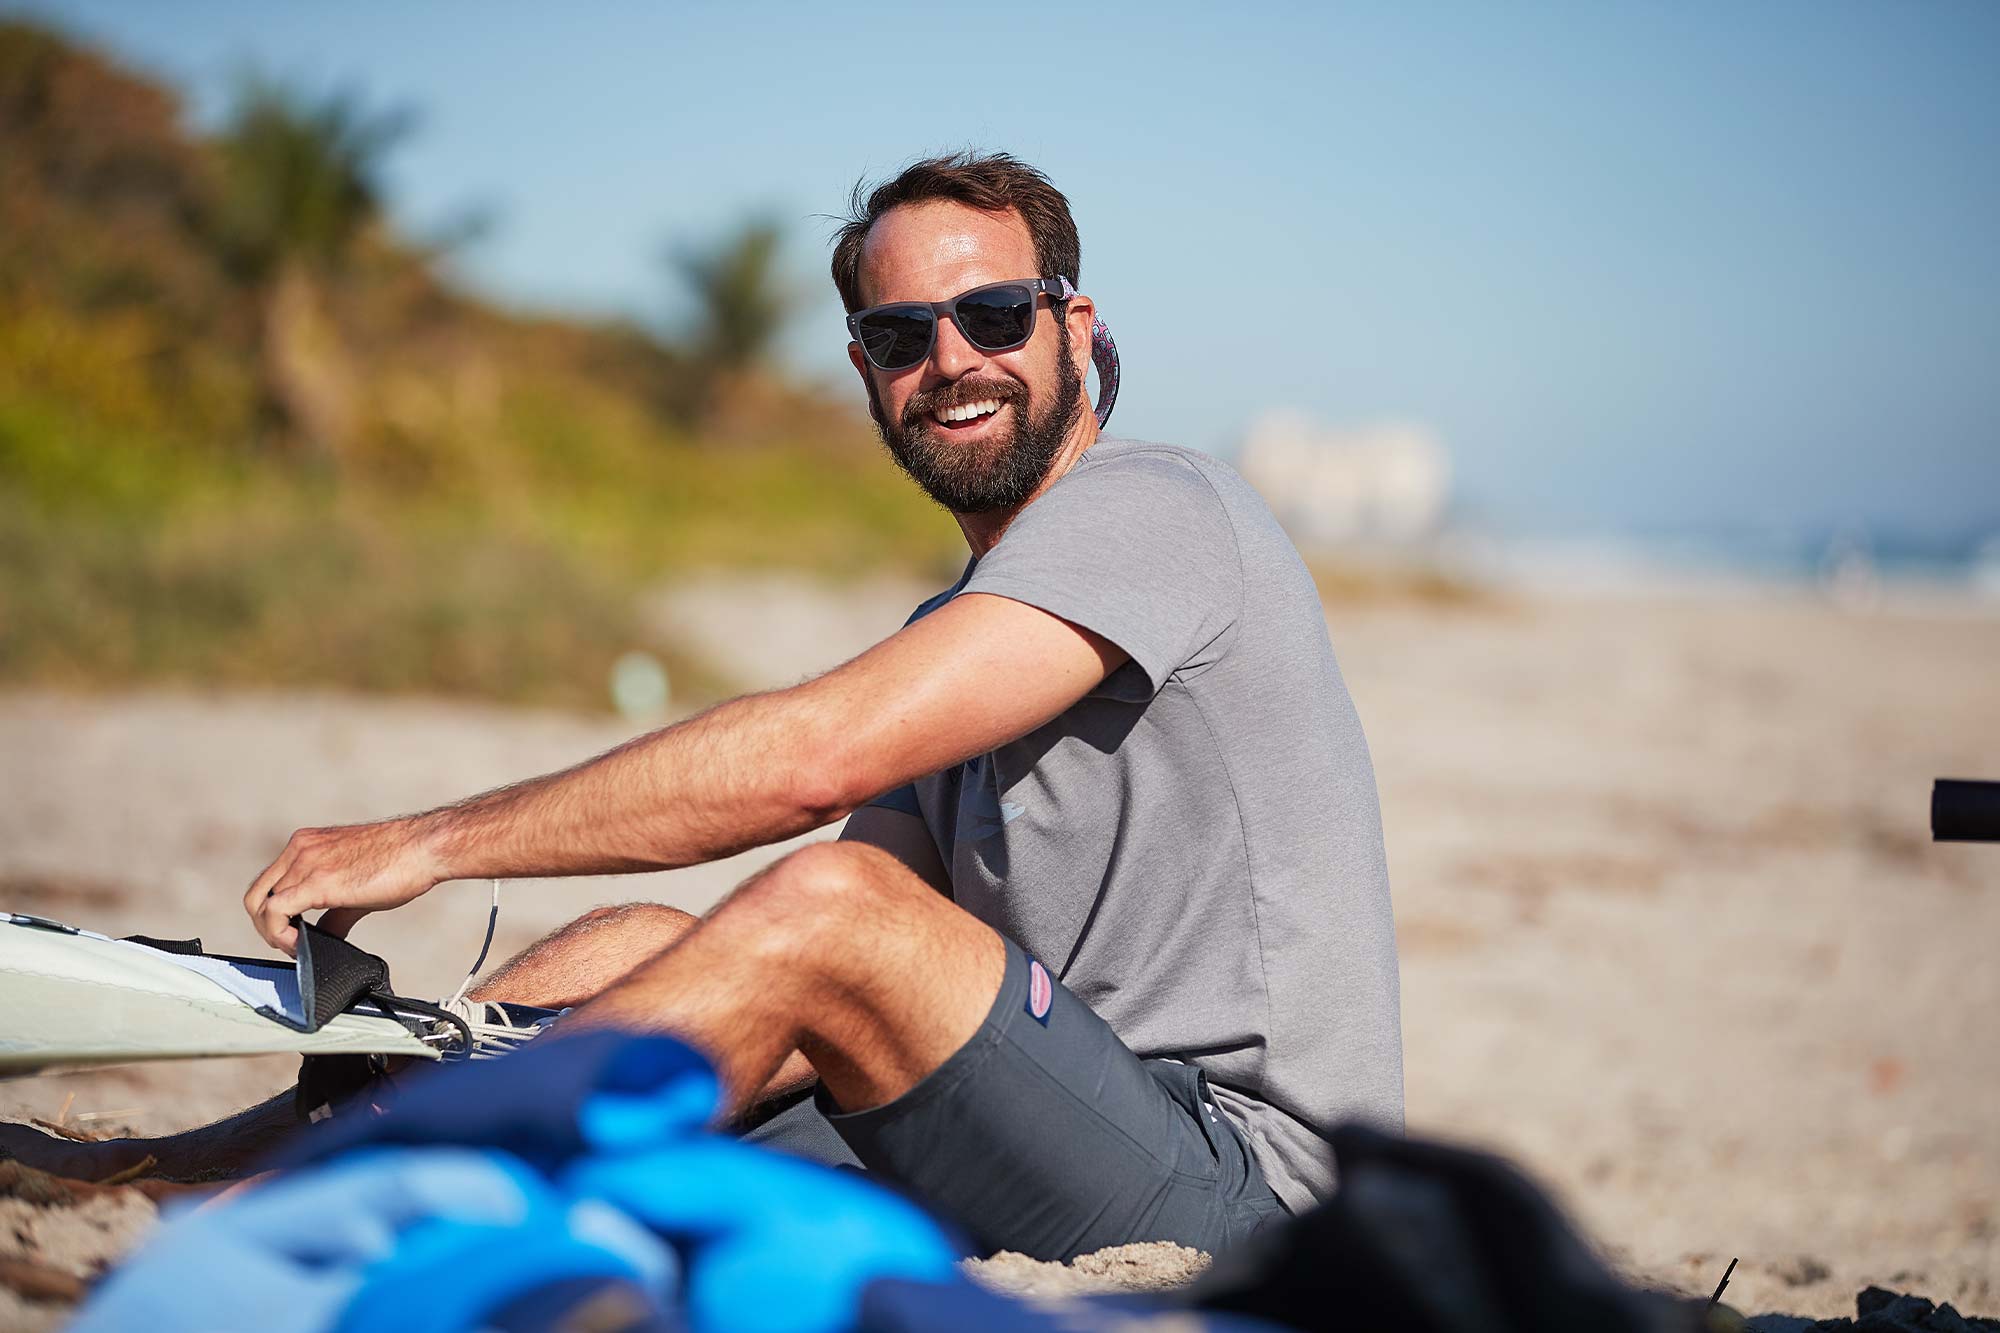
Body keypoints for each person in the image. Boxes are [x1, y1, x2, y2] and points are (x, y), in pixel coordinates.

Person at [5, 152, 1403, 1261]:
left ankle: (290, 1222)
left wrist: (431, 840)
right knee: (632, 942)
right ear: (865, 368)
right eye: (903, 332)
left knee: (815, 910)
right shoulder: (959, 635)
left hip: (1246, 1188)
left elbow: (812, 774)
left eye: (993, 315)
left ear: (1072, 327)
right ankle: (190, 1169)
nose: (953, 360)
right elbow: (860, 922)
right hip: (1042, 1127)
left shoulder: (1160, 509)